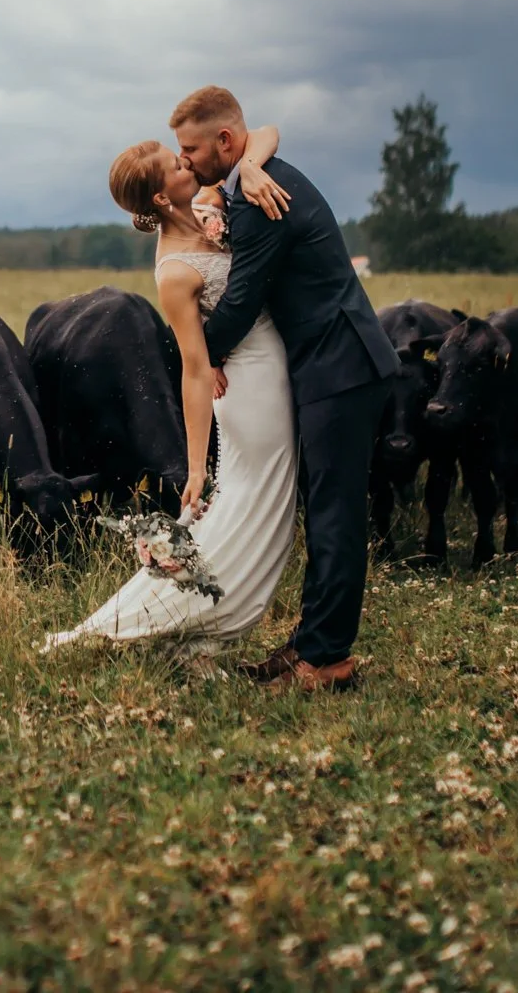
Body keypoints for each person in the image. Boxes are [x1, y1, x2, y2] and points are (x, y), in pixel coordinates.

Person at [39, 122, 298, 659]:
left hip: (274, 368)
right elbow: (196, 368)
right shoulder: (175, 271)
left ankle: (195, 608)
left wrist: (248, 167)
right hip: (250, 390)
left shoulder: (206, 200)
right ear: (161, 195)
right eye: (177, 165)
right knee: (256, 507)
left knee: (252, 511)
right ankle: (167, 620)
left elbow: (267, 131)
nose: (189, 164)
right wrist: (197, 467)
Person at [174, 85, 398, 692]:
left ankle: (327, 661)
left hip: (343, 367)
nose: (187, 161)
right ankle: (310, 642)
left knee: (336, 515)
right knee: (325, 509)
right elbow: (261, 134)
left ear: (225, 141)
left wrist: (200, 353)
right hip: (329, 365)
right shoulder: (254, 175)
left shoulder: (258, 201)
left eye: (191, 149)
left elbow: (243, 298)